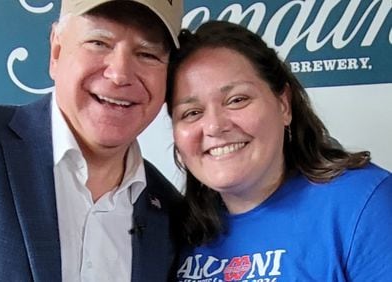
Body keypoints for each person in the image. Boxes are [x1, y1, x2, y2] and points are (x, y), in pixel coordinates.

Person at [0, 0, 185, 281]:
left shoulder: (172, 213)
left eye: (147, 54)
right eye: (99, 43)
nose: (120, 74)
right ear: (56, 51)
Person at [166, 21, 392, 281]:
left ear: (283, 103)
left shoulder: (363, 204)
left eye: (237, 100)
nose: (215, 126)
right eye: (192, 113)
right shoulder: (170, 227)